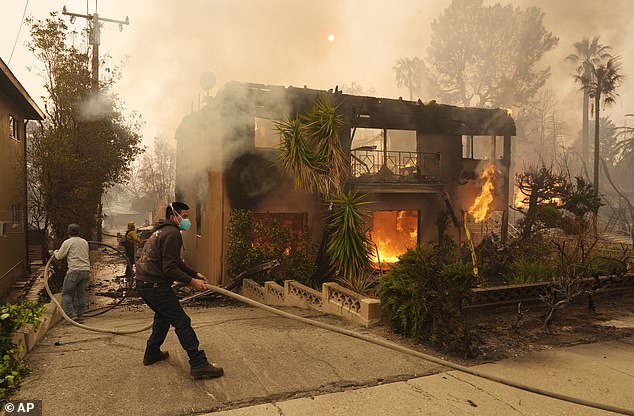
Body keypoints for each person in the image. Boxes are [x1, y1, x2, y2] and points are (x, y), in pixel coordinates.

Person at [135, 201, 224, 380]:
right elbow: (169, 268)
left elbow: (176, 262)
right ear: (172, 216)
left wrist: (194, 273)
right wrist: (192, 282)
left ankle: (152, 353)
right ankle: (198, 364)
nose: (186, 220)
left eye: (187, 217)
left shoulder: (161, 231)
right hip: (155, 285)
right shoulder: (173, 233)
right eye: (183, 216)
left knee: (163, 317)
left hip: (144, 283)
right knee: (181, 321)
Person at [54, 224, 91, 324]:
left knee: (66, 293)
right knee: (81, 294)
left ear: (68, 232)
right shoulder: (84, 242)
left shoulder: (68, 242)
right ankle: (81, 316)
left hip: (74, 271)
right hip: (86, 271)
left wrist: (55, 252)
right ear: (79, 232)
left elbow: (59, 256)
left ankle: (72, 315)